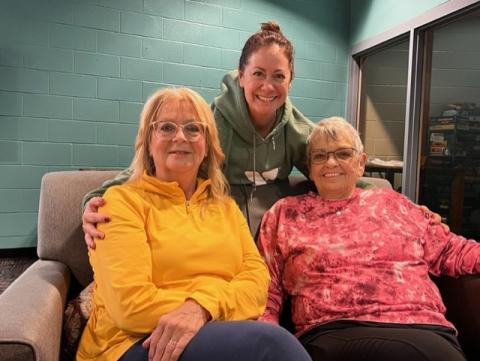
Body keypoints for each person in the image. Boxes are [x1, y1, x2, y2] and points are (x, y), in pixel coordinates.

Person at [76, 87, 312, 361]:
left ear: (208, 144)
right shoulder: (120, 204)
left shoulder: (225, 207)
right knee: (272, 346)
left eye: (193, 128)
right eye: (166, 127)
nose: (180, 137)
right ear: (148, 141)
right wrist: (204, 308)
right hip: (133, 343)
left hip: (212, 326)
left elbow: (257, 284)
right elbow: (129, 307)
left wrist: (202, 308)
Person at [257, 117, 480, 361]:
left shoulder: (395, 204)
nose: (331, 162)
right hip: (331, 330)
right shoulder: (286, 213)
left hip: (419, 326)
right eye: (320, 156)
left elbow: (452, 252)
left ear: (361, 163)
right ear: (309, 168)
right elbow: (267, 284)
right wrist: (268, 337)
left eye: (343, 154)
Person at [81, 21, 319, 245]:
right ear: (242, 76)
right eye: (258, 73)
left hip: (274, 237)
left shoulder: (298, 130)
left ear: (290, 81)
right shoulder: (213, 124)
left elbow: (335, 169)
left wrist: (356, 197)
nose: (268, 86)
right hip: (220, 229)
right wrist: (96, 198)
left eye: (278, 76)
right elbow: (155, 164)